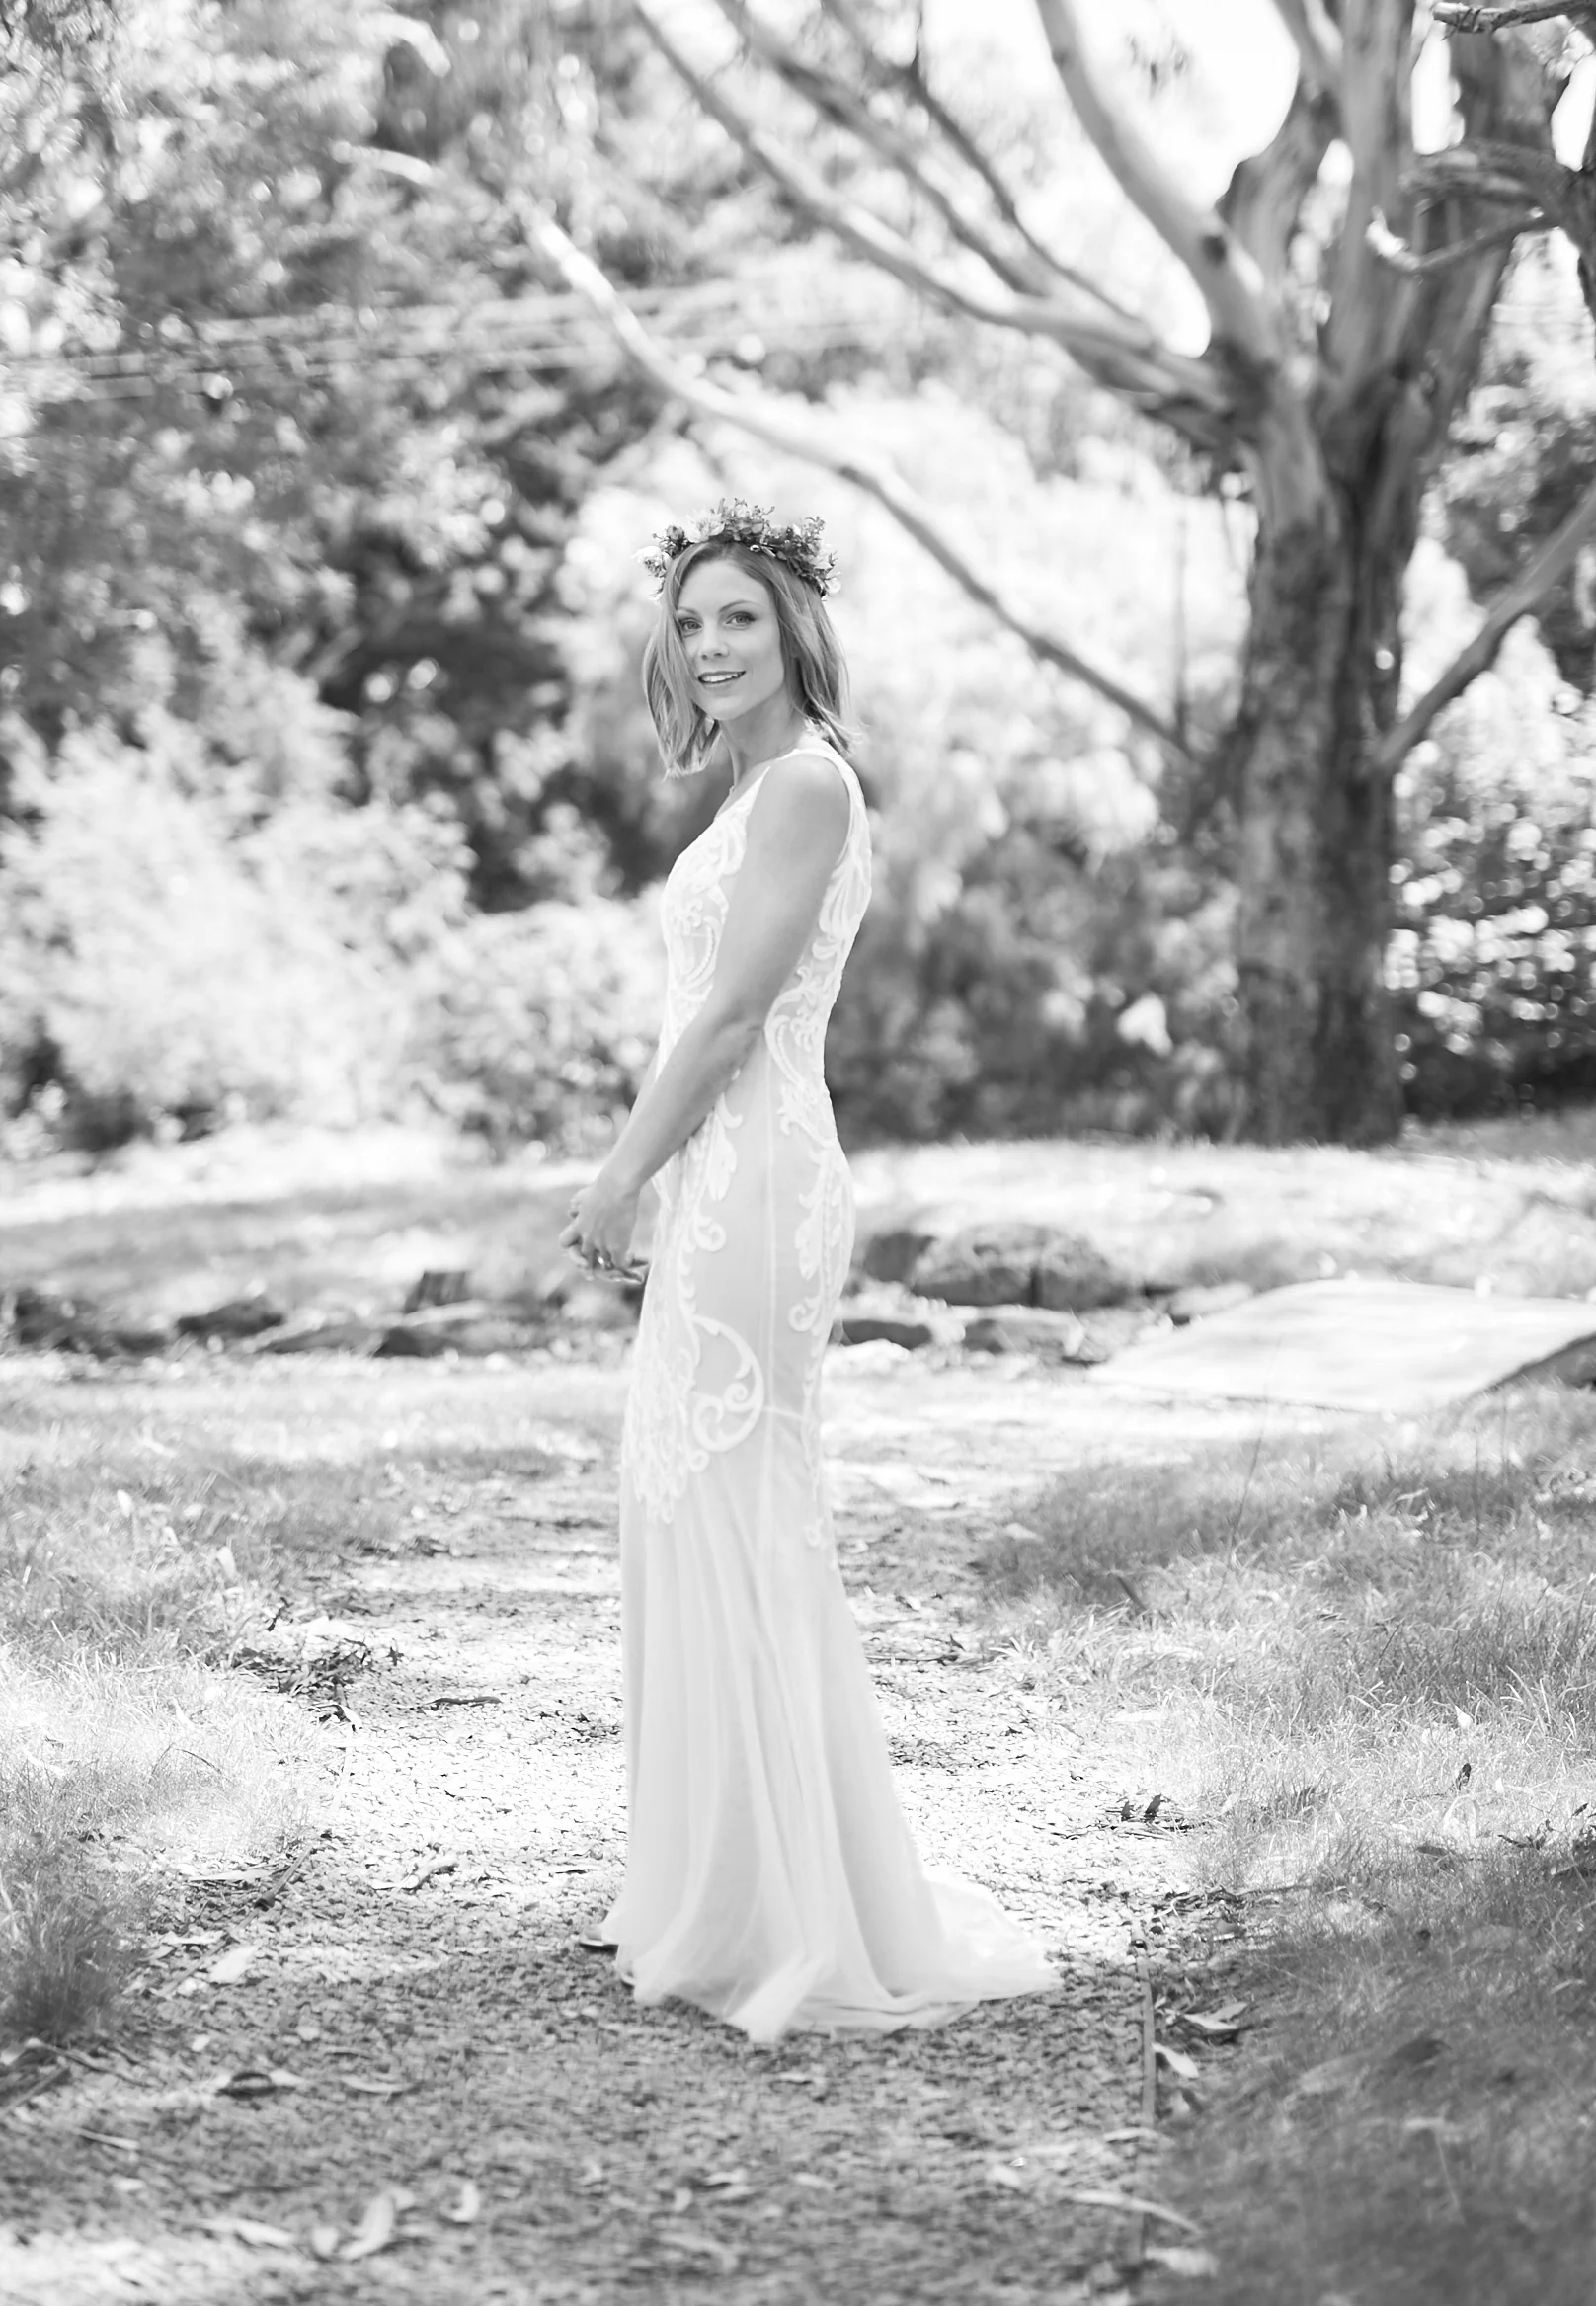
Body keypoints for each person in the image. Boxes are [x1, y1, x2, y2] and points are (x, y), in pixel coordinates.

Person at [562, 496, 1054, 2042]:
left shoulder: (806, 789)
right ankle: (717, 1884)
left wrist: (621, 1172)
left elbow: (728, 1020)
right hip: (726, 1176)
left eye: (739, 619)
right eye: (691, 623)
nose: (712, 646)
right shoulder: (751, 789)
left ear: (793, 631)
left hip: (756, 1179)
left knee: (735, 1507)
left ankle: (786, 1910)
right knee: (684, 1497)